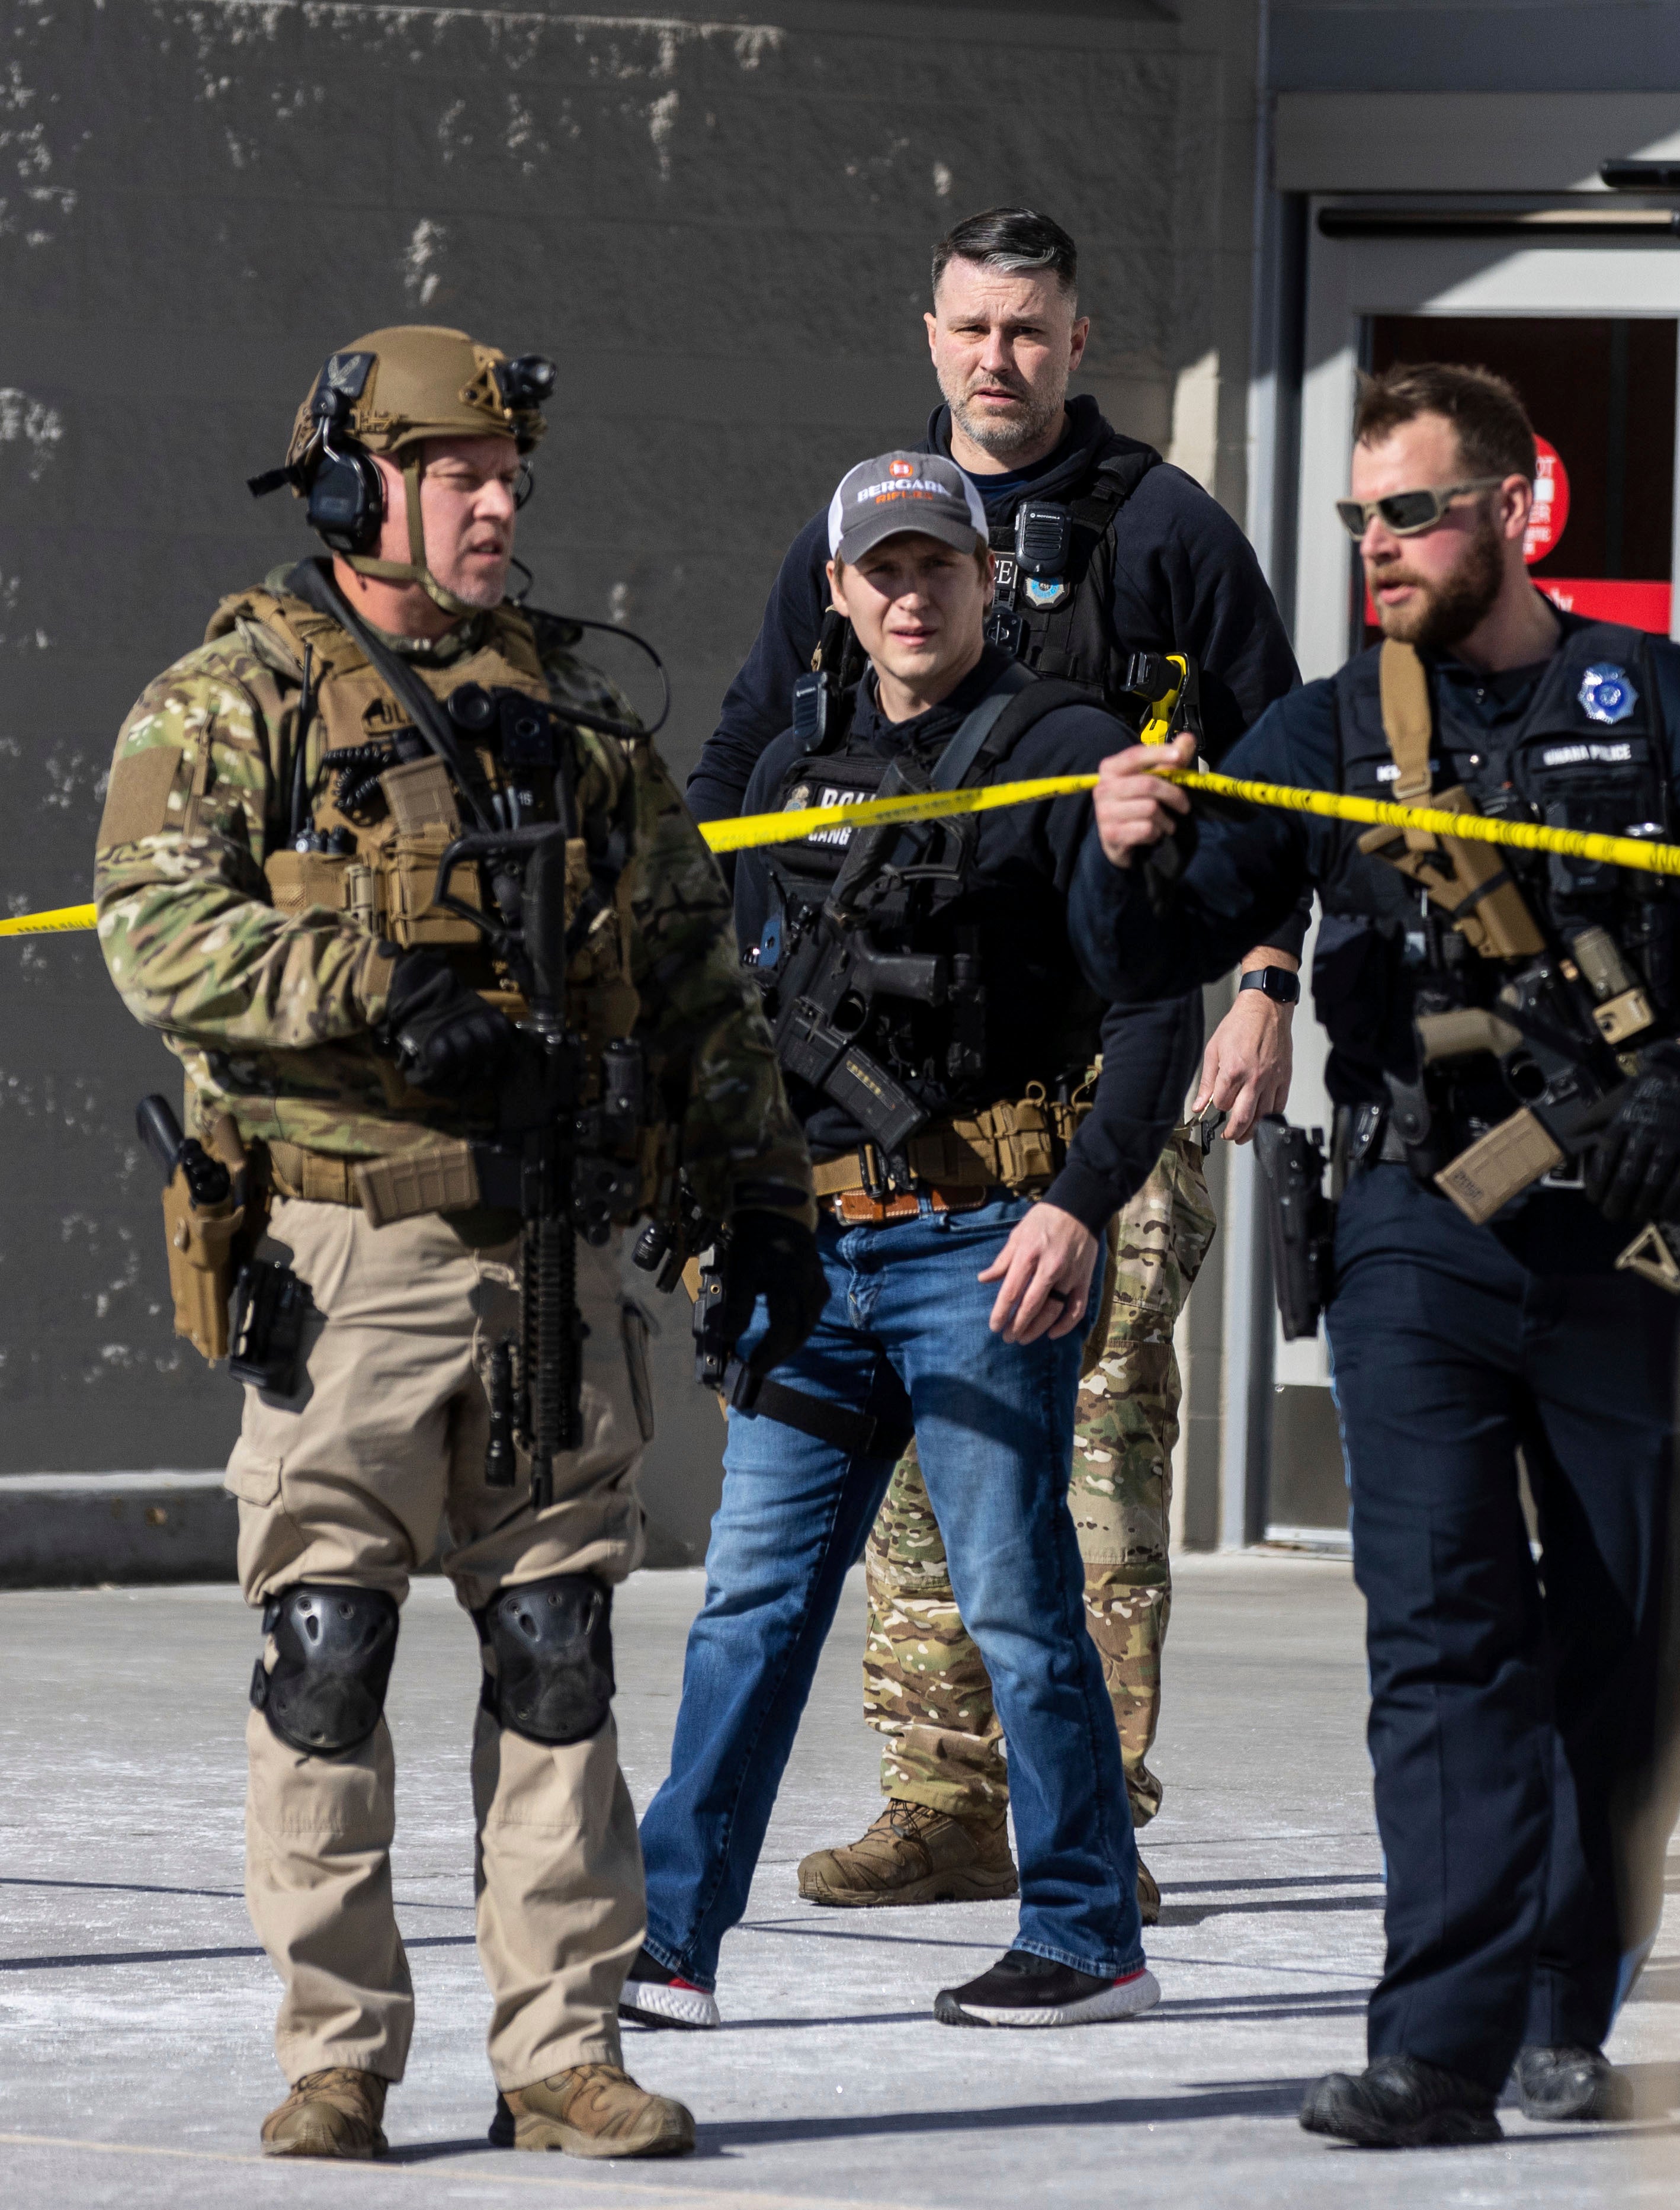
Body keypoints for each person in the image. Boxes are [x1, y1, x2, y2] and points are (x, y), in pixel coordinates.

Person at [1079, 364, 1680, 2144]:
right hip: (1417, 1228)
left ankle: (1571, 1991)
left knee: (1634, 1643)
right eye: (1358, 518)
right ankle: (1437, 2037)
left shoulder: (1658, 701)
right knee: (1440, 1635)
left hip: (1620, 1238)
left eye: (1411, 511)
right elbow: (1175, 926)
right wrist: (1125, 852)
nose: (1378, 548)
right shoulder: (1339, 729)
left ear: (1513, 507)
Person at [91, 325, 820, 2162]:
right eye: (459, 474)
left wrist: (760, 1200)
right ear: (357, 488)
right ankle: (339, 2052)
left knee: (558, 1651)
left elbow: (690, 973)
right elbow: (151, 928)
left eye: (511, 476)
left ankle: (563, 2049)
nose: (498, 505)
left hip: (555, 1253)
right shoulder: (236, 698)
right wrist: (373, 990)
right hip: (348, 1258)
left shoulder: (577, 714)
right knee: (327, 1646)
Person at [694, 208, 1303, 1920]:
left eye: (1026, 331)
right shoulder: (868, 533)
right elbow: (743, 758)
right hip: (887, 1097)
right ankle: (946, 1798)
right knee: (908, 1457)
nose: (996, 359)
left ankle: (1087, 1813)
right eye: (969, 328)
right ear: (931, 333)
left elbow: (1276, 776)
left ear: (1077, 340)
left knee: (1091, 1446)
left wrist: (1263, 978)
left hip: (1107, 1059)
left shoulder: (1167, 529)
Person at [627, 450, 1169, 2034]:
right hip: (810, 1248)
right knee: (750, 1603)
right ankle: (671, 1942)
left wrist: (1079, 1200)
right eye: (882, 568)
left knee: (1014, 1599)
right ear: (840, 590)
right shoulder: (788, 763)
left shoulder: (1065, 751)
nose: (910, 592)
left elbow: (1151, 1001)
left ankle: (1085, 1934)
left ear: (987, 579)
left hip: (985, 1241)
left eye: (939, 563)